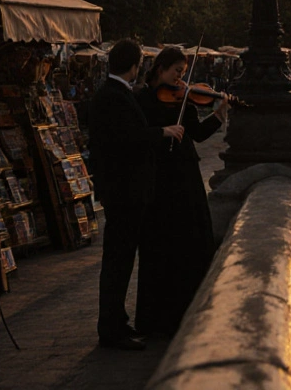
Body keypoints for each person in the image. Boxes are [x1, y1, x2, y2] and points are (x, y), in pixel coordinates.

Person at [89, 39, 183, 351]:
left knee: (120, 260)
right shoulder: (115, 97)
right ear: (134, 65)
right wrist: (163, 132)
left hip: (122, 191)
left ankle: (117, 321)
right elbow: (129, 139)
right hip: (125, 192)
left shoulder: (113, 94)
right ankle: (112, 328)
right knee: (119, 261)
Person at [133, 47, 227, 337]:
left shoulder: (185, 100)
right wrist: (164, 130)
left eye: (183, 74)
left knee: (192, 241)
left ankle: (189, 311)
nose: (180, 81)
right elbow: (140, 134)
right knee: (161, 245)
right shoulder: (142, 98)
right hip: (160, 178)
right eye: (176, 72)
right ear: (160, 68)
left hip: (185, 176)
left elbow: (197, 134)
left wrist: (220, 113)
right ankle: (158, 319)